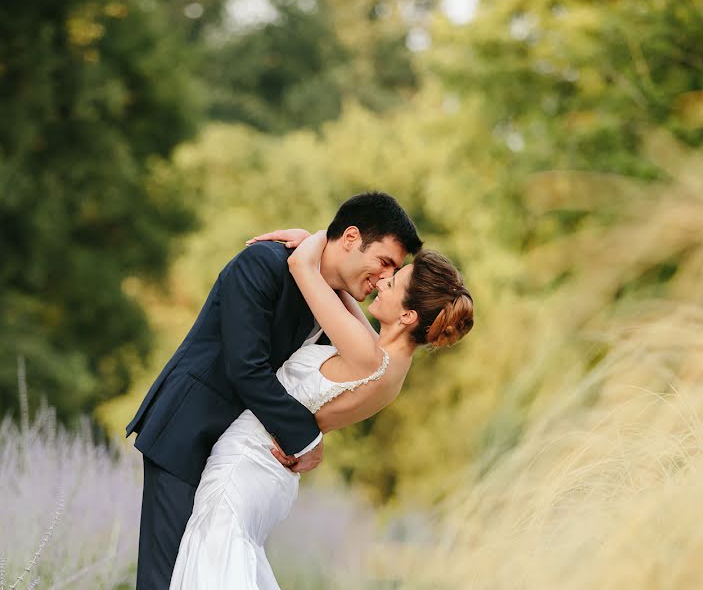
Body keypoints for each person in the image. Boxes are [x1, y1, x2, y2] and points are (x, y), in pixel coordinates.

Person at [126, 192, 422, 589]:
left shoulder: (327, 299)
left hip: (239, 458)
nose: (384, 278)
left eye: (394, 271)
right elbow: (246, 368)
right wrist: (305, 438)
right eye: (384, 262)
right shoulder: (262, 264)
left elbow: (363, 367)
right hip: (189, 434)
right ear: (350, 238)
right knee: (166, 579)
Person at [168, 230, 474, 588]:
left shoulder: (365, 353)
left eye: (395, 281)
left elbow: (301, 266)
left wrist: (318, 239)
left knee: (214, 568)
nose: (383, 280)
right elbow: (342, 296)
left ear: (407, 316)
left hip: (245, 462)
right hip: (271, 474)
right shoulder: (388, 365)